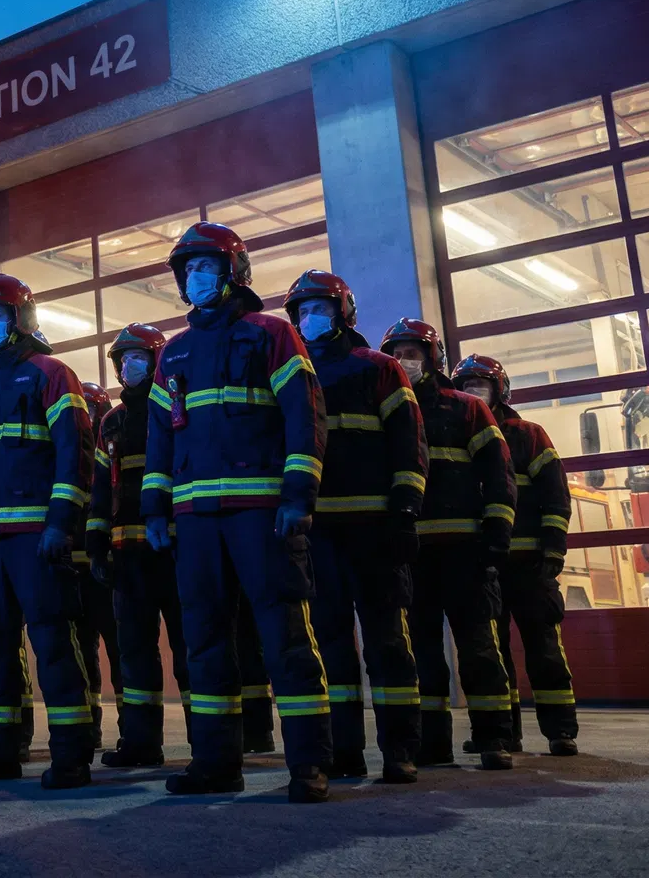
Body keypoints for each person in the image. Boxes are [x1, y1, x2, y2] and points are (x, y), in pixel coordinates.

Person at [141, 222, 334, 803]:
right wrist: (155, 506)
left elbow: (305, 416)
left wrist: (298, 495)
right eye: (187, 270)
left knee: (285, 638)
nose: (194, 279)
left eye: (205, 267)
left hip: (261, 514)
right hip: (196, 521)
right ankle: (215, 763)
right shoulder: (173, 352)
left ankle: (308, 765)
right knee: (202, 644)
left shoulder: (271, 335)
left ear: (234, 272)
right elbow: (160, 438)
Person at [0, 275, 97, 789]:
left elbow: (75, 456)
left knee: (52, 642)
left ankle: (72, 755)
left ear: (22, 319)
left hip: (36, 538)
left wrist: (60, 525)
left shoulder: (53, 375)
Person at [283, 272, 427, 783]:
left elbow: (409, 444)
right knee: (331, 646)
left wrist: (406, 508)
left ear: (343, 311)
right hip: (316, 533)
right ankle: (343, 753)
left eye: (318, 308)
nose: (309, 319)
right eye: (301, 311)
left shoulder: (381, 369)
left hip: (374, 529)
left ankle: (399, 751)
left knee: (388, 643)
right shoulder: (291, 372)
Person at [379, 319, 517, 771]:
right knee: (421, 650)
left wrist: (497, 530)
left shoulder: (467, 409)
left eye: (412, 353)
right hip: (411, 553)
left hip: (465, 550)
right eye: (396, 354)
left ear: (433, 359)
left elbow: (499, 473)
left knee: (478, 645)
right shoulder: (387, 409)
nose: (404, 362)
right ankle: (432, 745)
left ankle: (494, 738)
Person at [453, 354, 579, 757]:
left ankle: (561, 731)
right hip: (484, 563)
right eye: (467, 386)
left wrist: (554, 548)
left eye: (481, 385)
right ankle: (504, 734)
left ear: (500, 390)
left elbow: (555, 496)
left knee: (543, 646)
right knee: (492, 653)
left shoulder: (529, 434)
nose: (474, 393)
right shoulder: (457, 434)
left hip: (530, 565)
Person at [94, 324, 186, 768]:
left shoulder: (172, 408)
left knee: (192, 647)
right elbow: (99, 487)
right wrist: (97, 540)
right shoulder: (111, 421)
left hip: (174, 549)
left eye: (139, 358)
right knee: (134, 650)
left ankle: (209, 740)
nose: (130, 367)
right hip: (127, 556)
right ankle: (141, 742)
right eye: (123, 359)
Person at [74, 380, 124, 756]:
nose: (86, 418)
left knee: (120, 649)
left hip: (107, 565)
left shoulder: (109, 448)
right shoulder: (68, 452)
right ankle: (89, 730)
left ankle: (131, 728)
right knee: (82, 651)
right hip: (74, 568)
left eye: (91, 410)